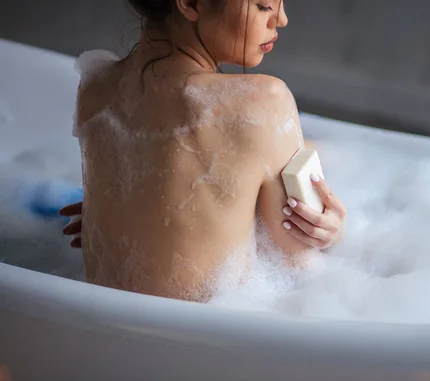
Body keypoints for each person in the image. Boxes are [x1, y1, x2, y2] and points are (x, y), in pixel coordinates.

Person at [59, 0, 346, 302]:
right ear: (192, 3)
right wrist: (333, 234)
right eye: (263, 5)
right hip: (205, 341)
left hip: (99, 332)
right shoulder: (262, 103)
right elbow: (298, 268)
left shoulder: (95, 87)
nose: (282, 20)